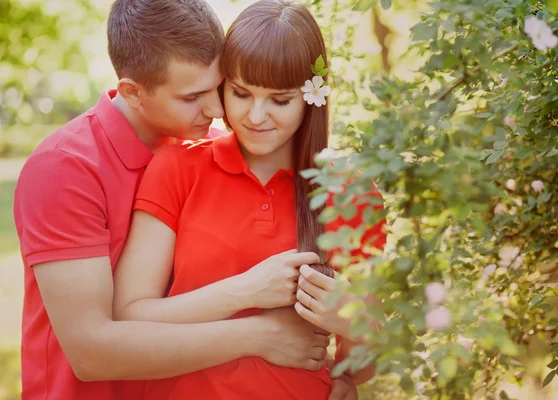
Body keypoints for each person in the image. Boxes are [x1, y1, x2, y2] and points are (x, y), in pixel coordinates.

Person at [13, 1, 347, 399]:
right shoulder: (65, 169)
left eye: (219, 87)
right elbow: (91, 351)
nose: (219, 109)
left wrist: (337, 377)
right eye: (193, 96)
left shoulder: (199, 152)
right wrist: (257, 335)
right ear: (133, 93)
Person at [112, 1, 386, 399]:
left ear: (312, 97)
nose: (256, 116)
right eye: (241, 93)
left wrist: (355, 323)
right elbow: (130, 315)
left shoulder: (352, 193)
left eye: (280, 100)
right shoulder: (177, 168)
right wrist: (247, 291)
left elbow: (356, 370)